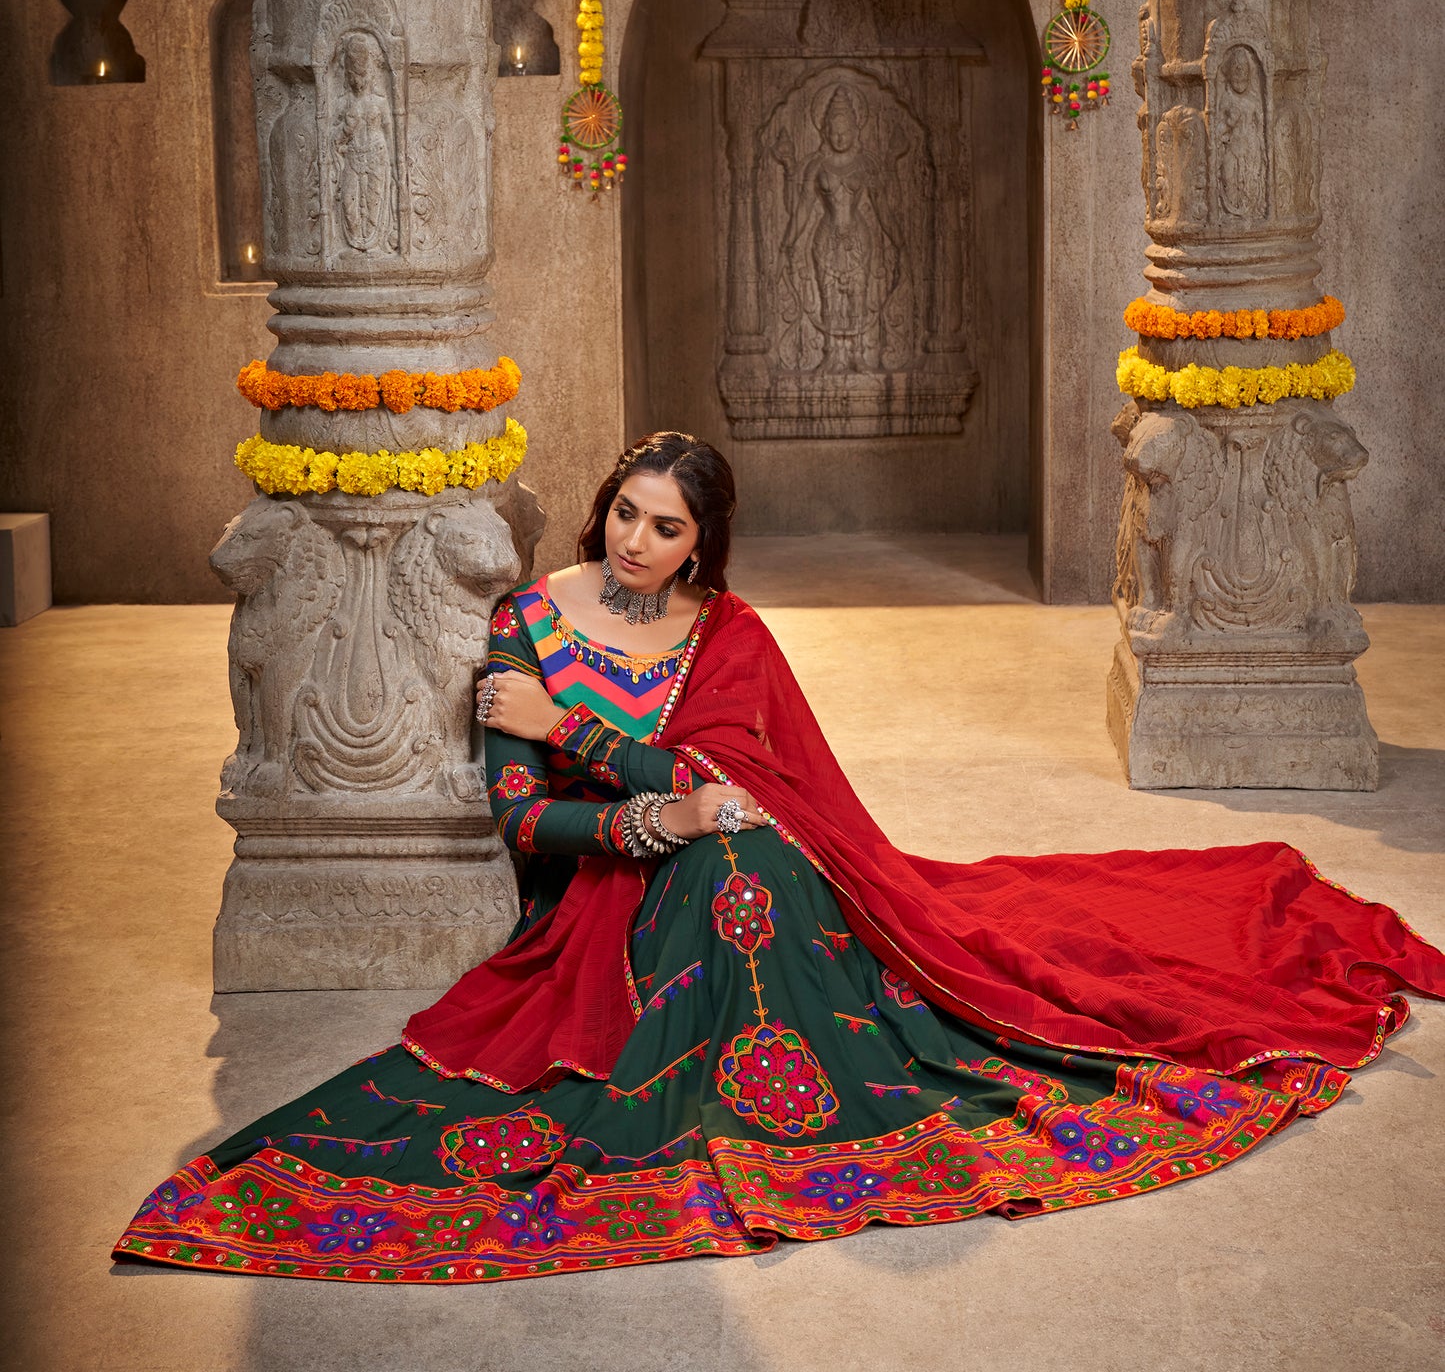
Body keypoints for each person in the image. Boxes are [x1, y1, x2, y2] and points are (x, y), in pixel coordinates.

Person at [116, 432, 1445, 1286]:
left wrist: (620, 757)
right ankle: (737, 1086)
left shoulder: (726, 634)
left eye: (665, 531)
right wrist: (655, 816)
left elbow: (752, 785)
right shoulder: (529, 619)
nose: (635, 545)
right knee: (717, 864)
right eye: (625, 516)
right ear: (601, 511)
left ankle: (805, 1084)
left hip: (742, 860)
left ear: (704, 546)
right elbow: (524, 820)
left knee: (751, 867)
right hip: (598, 892)